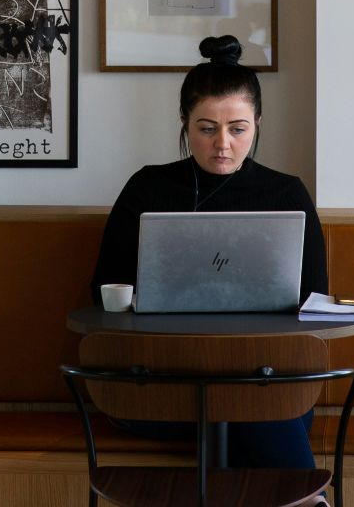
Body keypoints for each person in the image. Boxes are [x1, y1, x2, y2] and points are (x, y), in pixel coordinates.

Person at [88, 35, 327, 470]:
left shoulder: (285, 193)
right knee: (254, 413)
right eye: (206, 128)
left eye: (238, 129)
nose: (223, 144)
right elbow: (103, 289)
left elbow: (313, 298)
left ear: (257, 123)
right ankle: (312, 501)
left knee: (250, 403)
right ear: (184, 122)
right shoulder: (148, 188)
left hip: (262, 376)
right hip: (161, 379)